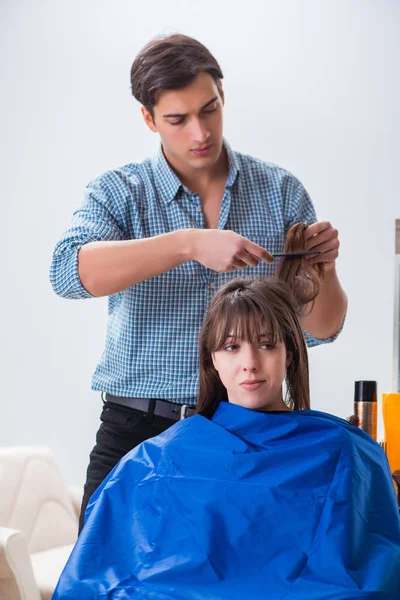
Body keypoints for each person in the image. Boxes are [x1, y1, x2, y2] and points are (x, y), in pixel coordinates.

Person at [49, 33, 347, 531]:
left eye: (209, 110)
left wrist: (326, 270)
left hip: (250, 438)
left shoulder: (280, 192)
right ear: (148, 119)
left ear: (223, 96)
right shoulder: (119, 192)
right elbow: (67, 272)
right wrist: (188, 243)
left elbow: (320, 328)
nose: (199, 132)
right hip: (138, 433)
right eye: (178, 119)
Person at [52, 251, 399, 599]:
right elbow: (104, 573)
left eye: (266, 344)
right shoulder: (158, 458)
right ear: (212, 359)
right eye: (232, 347)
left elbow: (368, 570)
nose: (249, 363)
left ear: (289, 353)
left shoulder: (342, 449)